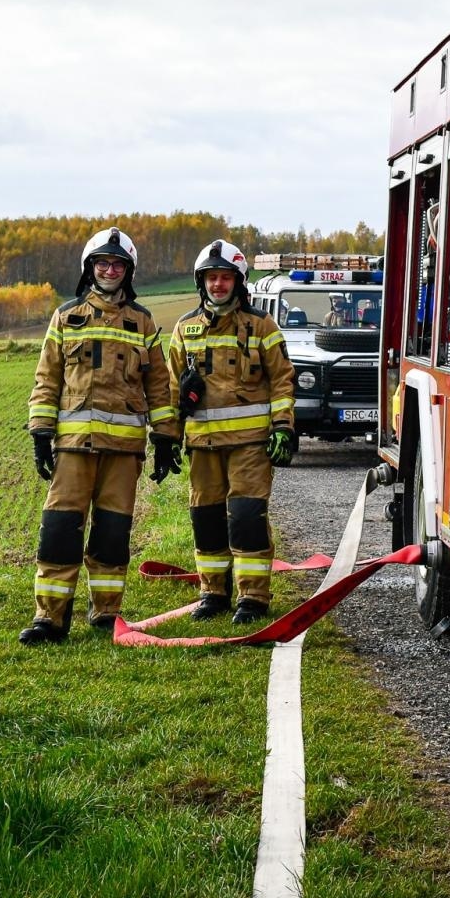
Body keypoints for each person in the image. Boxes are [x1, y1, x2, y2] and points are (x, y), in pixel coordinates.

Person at [21, 227, 180, 645]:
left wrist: (165, 437)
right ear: (89, 268)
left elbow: (159, 386)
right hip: (73, 448)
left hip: (123, 452)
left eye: (117, 265)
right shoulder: (66, 317)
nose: (109, 271)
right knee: (60, 529)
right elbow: (46, 378)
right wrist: (40, 432)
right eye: (102, 263)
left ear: (128, 271)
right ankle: (49, 618)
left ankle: (106, 612)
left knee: (112, 533)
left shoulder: (143, 322)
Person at [166, 240, 296, 625]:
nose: (218, 284)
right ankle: (213, 593)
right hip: (203, 444)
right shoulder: (185, 329)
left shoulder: (262, 326)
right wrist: (168, 437)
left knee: (246, 517)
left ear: (238, 282)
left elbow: (283, 381)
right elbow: (170, 389)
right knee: (206, 519)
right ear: (201, 282)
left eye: (225, 277)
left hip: (250, 446)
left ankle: (253, 598)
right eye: (211, 278)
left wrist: (283, 427)